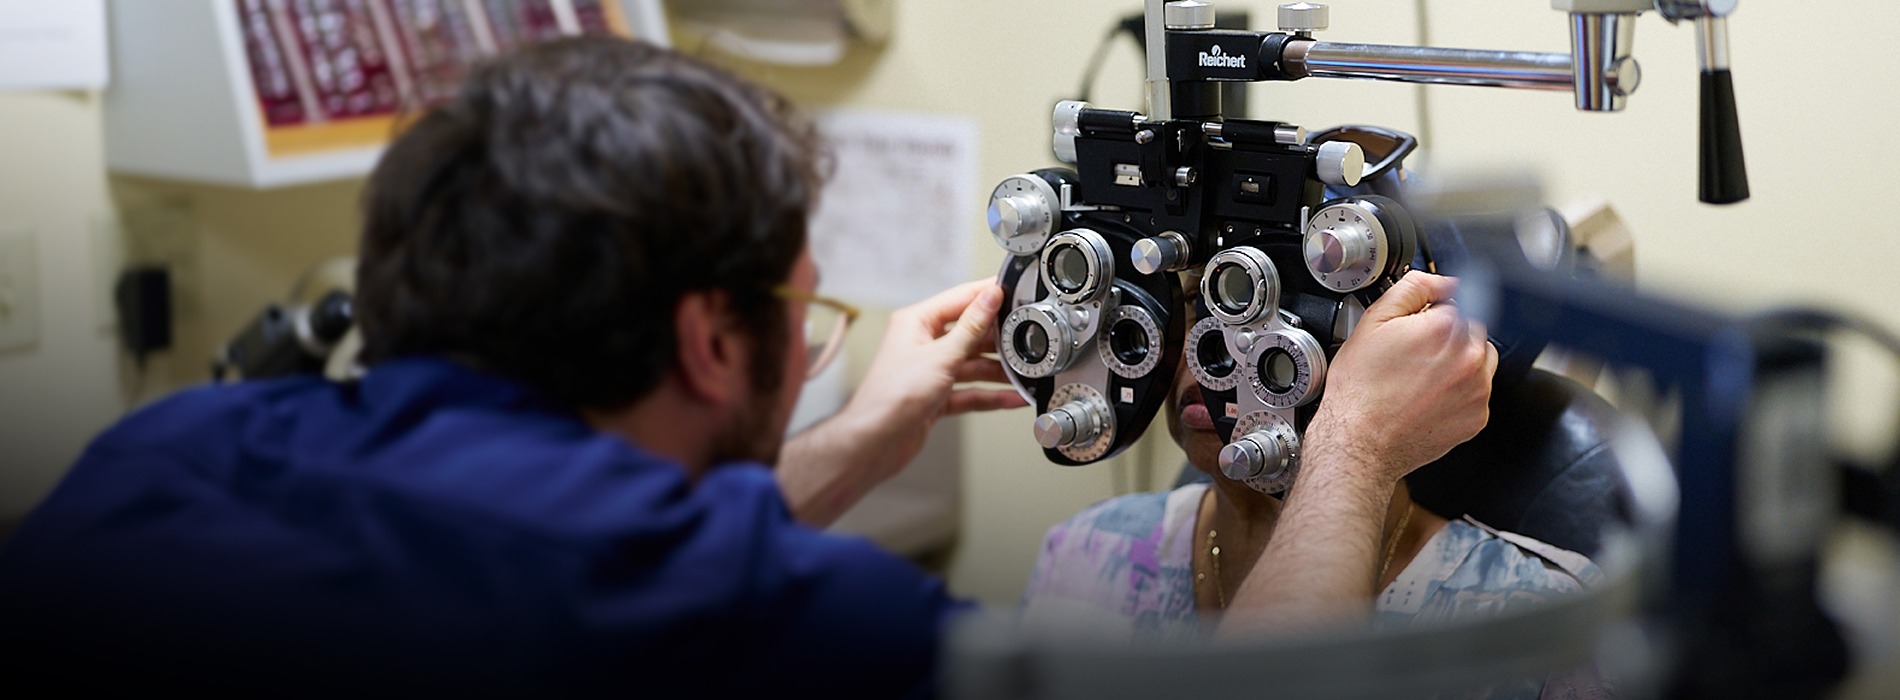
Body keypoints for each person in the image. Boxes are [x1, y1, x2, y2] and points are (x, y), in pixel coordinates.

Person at [0, 37, 1496, 695]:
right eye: (803, 312)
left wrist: (852, 438)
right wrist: (1357, 447)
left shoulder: (167, 457)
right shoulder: (767, 619)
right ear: (714, 341)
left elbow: (571, 562)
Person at [1021, 273, 1608, 697]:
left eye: (1258, 316)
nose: (1210, 355)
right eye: (1195, 308)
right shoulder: (1084, 550)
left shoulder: (1539, 619)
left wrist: (1351, 443)